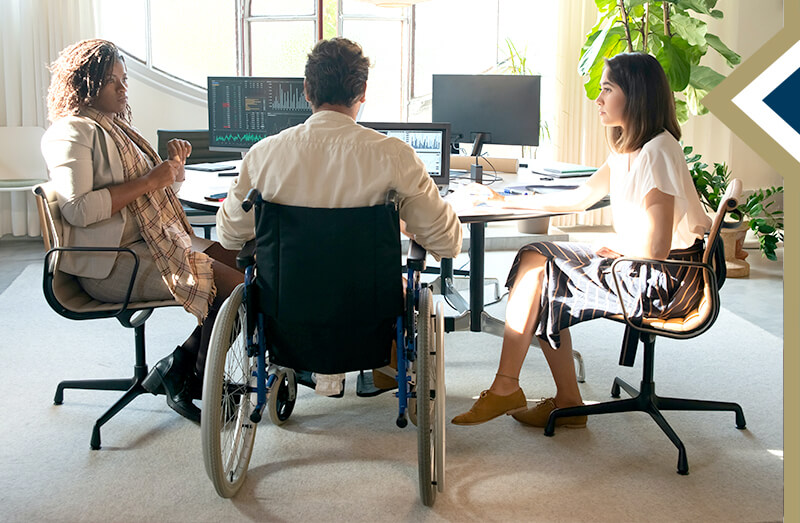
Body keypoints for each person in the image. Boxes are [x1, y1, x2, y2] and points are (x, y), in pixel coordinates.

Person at [451, 52, 711, 427]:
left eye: (607, 89)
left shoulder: (657, 151)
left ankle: (521, 391)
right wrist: (503, 198)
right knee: (536, 259)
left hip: (663, 280)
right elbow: (578, 198)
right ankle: (557, 399)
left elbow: (656, 249)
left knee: (541, 267)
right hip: (640, 264)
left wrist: (614, 249)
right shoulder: (628, 148)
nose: (598, 99)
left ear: (636, 96)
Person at [216, 37, 462, 393]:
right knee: (407, 284)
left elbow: (228, 236)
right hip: (368, 320)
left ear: (306, 90)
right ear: (362, 91)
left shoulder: (263, 155)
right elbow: (447, 243)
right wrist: (405, 222)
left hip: (286, 316)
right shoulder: (394, 156)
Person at [42, 39, 244, 423]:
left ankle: (178, 365)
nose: (122, 88)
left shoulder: (117, 128)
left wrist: (173, 171)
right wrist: (151, 181)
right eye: (110, 81)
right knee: (234, 289)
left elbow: (150, 200)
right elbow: (78, 209)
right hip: (113, 263)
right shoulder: (71, 132)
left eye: (124, 79)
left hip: (149, 242)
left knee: (248, 266)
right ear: (85, 85)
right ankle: (198, 382)